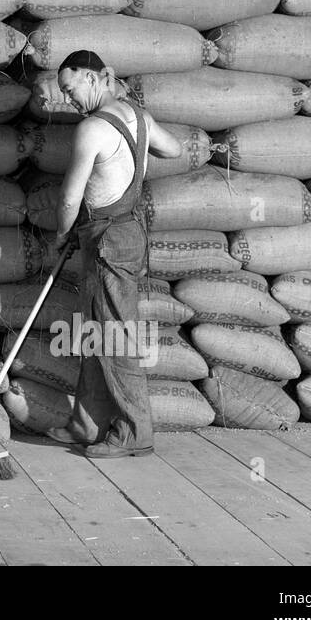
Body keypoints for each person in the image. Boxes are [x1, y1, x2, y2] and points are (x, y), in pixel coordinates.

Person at [46, 49, 183, 459]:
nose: (68, 98)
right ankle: (86, 423)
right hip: (120, 233)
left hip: (109, 240)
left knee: (115, 335)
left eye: (70, 89)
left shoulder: (91, 128)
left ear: (94, 78)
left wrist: (60, 233)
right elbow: (173, 150)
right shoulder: (137, 117)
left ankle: (133, 432)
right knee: (95, 330)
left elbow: (70, 198)